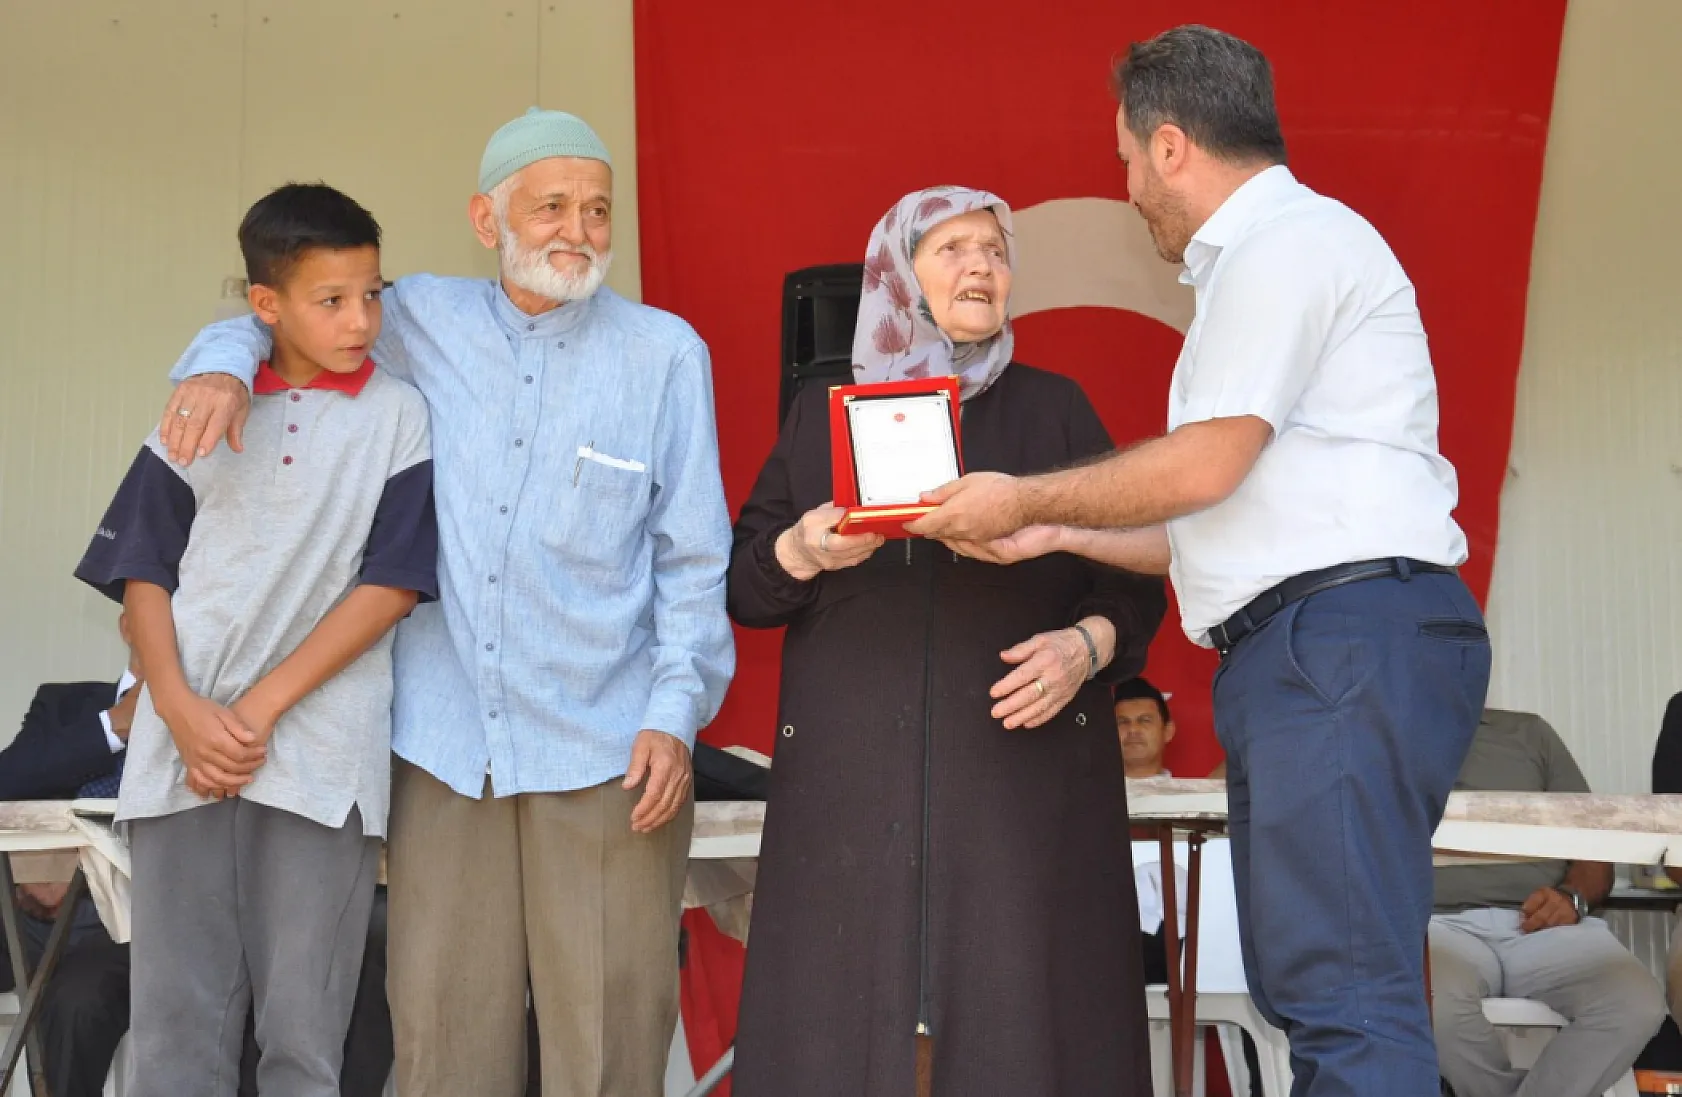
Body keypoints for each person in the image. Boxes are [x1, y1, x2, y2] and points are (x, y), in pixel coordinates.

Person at [909, 26, 1490, 1095]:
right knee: (1312, 986)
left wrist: (1027, 492)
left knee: (1345, 1000)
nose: (1125, 187)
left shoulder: (1282, 247)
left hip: (1340, 637)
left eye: (1125, 159)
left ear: (1169, 145)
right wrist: (1052, 531)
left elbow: (1206, 464)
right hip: (1319, 644)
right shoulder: (1268, 260)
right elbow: (1209, 515)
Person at [157, 108, 734, 1097]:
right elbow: (282, 305)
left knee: (606, 1049)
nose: (577, 230)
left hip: (606, 751)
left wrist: (672, 716)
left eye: (597, 210)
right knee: (441, 1047)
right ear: (485, 218)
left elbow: (692, 558)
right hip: (444, 743)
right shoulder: (413, 318)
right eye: (549, 205)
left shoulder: (663, 353)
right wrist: (214, 361)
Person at [726, 186, 1167, 1097]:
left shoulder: (1055, 410)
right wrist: (804, 548)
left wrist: (1084, 649)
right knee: (841, 1037)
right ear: (896, 272)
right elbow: (745, 585)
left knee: (1025, 1032)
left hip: (1019, 799)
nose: (981, 266)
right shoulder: (824, 412)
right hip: (851, 803)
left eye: (996, 252)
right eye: (954, 248)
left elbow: (1137, 580)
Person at [74, 182, 438, 1097]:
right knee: (175, 1032)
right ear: (265, 305)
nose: (361, 319)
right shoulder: (199, 409)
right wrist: (183, 712)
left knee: (303, 1040)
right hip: (178, 755)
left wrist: (253, 713)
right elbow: (142, 576)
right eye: (332, 300)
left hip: (319, 760)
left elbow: (391, 585)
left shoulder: (399, 414)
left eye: (373, 293)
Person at [1432, 709, 1665, 1097]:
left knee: (1635, 1001)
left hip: (1546, 925)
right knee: (1430, 1004)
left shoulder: (1529, 733)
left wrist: (1571, 897)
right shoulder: (1377, 734)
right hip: (1437, 926)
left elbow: (1596, 849)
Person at [1114, 676, 1175, 779]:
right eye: (1123, 722)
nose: (1133, 730)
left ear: (1168, 731)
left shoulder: (1194, 795)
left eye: (1144, 720)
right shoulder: (1090, 794)